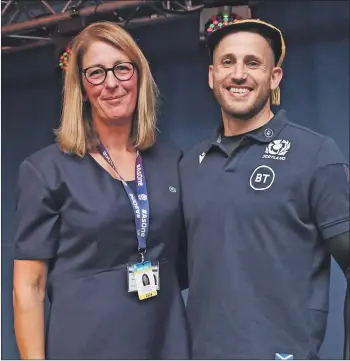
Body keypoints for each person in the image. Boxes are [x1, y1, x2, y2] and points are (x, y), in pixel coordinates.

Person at [13, 21, 190, 360]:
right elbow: (29, 287)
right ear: (80, 87)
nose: (112, 83)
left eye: (122, 69)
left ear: (139, 76)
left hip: (165, 339)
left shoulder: (171, 160)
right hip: (86, 343)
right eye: (96, 73)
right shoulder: (46, 170)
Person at [180, 14, 350, 360]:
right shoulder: (187, 165)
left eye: (253, 63)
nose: (239, 74)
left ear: (274, 78)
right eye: (227, 62)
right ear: (212, 77)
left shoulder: (316, 154)